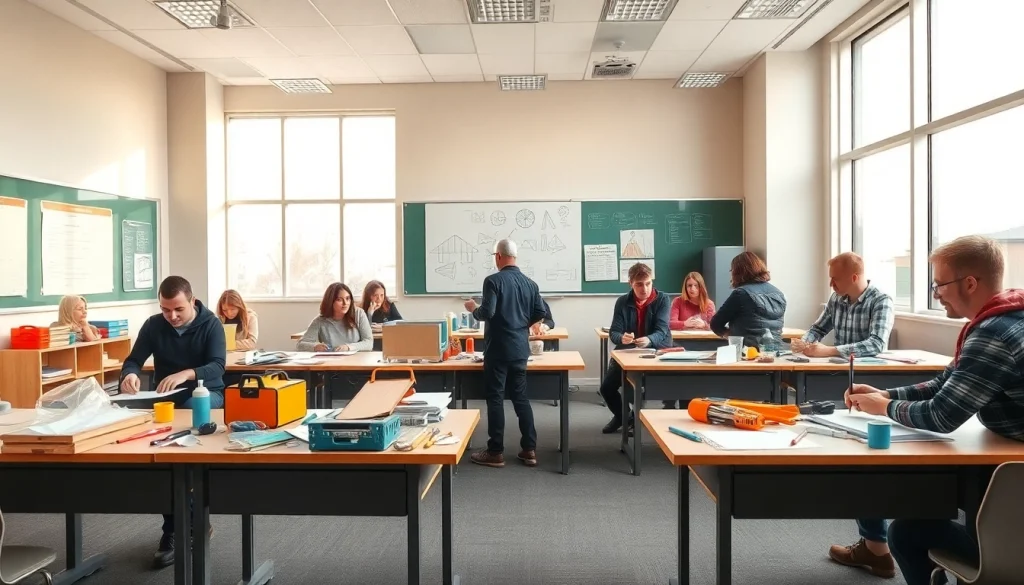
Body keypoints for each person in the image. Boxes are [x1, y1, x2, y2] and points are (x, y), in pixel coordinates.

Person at [839, 235, 1024, 584]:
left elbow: (942, 415)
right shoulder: (1008, 318)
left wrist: (886, 408)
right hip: (1010, 467)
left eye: (939, 284)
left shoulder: (992, 334)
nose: (935, 294)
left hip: (1012, 482)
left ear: (970, 282)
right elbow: (945, 383)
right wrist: (885, 393)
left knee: (907, 534)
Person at [119, 275, 226, 569]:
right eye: (166, 310)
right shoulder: (154, 325)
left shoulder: (211, 324)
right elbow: (133, 360)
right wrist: (129, 374)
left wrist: (187, 373)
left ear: (192, 301)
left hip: (207, 395)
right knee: (162, 455)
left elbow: (218, 366)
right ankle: (180, 526)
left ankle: (181, 528)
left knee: (190, 416)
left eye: (178, 309)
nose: (172, 316)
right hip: (168, 400)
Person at [463, 239, 547, 468]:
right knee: (521, 398)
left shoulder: (492, 280)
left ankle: (495, 451)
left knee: (496, 399)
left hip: (498, 349)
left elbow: (486, 312)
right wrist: (521, 324)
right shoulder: (530, 283)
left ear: (498, 256)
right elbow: (541, 311)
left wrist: (473, 309)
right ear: (515, 257)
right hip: (520, 348)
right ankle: (529, 450)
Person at [599, 262, 672, 434]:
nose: (644, 289)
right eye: (639, 284)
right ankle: (624, 417)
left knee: (644, 388)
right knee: (606, 388)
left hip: (657, 350)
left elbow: (662, 330)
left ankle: (638, 421)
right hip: (629, 351)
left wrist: (648, 339)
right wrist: (622, 338)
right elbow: (614, 332)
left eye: (648, 283)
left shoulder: (663, 299)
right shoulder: (622, 302)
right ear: (630, 283)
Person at [791, 252, 894, 359]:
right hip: (839, 368)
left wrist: (829, 350)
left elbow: (876, 344)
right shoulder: (836, 298)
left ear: (854, 278)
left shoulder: (881, 300)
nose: (831, 284)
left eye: (835, 279)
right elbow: (817, 329)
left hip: (868, 371)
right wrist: (805, 343)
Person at [709, 251, 787, 348]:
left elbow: (716, 324)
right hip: (775, 351)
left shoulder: (741, 294)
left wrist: (731, 336)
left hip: (748, 352)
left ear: (737, 272)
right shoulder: (779, 294)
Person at [664, 272, 716, 408]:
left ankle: (696, 401)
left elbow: (716, 327)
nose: (692, 289)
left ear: (701, 287)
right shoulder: (678, 302)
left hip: (703, 346)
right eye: (689, 286)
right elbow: (670, 323)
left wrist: (704, 325)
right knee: (678, 373)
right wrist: (684, 324)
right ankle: (671, 402)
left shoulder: (709, 304)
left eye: (695, 286)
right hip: (681, 344)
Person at [296, 282, 373, 352]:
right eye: (339, 299)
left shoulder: (359, 314)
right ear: (330, 301)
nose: (345, 303)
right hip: (332, 363)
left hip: (357, 361)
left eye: (347, 298)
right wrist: (315, 346)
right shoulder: (320, 321)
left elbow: (369, 343)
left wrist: (348, 347)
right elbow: (300, 345)